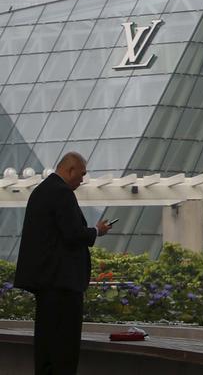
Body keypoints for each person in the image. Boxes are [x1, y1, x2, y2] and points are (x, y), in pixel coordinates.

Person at [14, 152, 113, 374]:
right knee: (64, 348)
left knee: (47, 345)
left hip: (46, 282)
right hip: (63, 284)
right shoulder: (62, 193)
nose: (82, 180)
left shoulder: (41, 191)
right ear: (70, 170)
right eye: (82, 174)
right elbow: (72, 234)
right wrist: (97, 230)